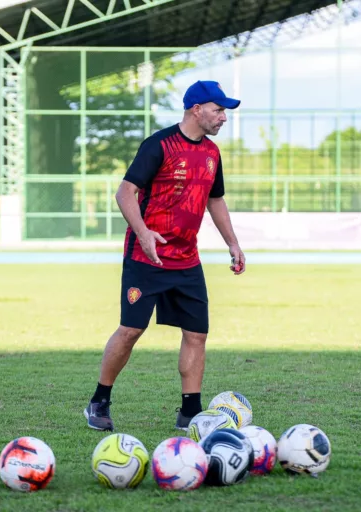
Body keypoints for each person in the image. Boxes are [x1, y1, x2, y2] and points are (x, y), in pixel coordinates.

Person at [84, 80, 246, 432]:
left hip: (187, 260)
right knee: (130, 330)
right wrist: (143, 234)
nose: (223, 118)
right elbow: (125, 192)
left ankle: (190, 413)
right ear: (196, 109)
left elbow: (214, 200)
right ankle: (99, 401)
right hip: (147, 259)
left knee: (196, 334)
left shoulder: (212, 153)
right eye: (218, 110)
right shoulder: (158, 145)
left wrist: (232, 242)